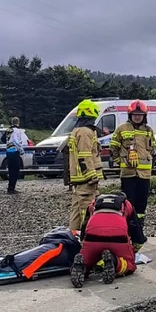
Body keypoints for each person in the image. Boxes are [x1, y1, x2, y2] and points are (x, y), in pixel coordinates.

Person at [0, 227, 81, 287]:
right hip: (69, 242)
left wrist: (26, 272)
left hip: (69, 247)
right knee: (45, 250)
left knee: (45, 251)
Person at [109, 100, 155, 250]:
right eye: (135, 115)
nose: (137, 117)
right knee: (128, 205)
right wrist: (120, 162)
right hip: (128, 174)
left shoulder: (148, 130)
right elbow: (113, 149)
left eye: (140, 115)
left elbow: (152, 149)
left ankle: (139, 233)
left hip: (144, 175)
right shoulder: (122, 129)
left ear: (144, 116)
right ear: (130, 115)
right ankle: (127, 233)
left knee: (142, 206)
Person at [70, 191, 139, 288]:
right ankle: (114, 262)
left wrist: (84, 243)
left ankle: (81, 267)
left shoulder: (94, 203)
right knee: (130, 265)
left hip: (92, 238)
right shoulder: (126, 204)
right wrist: (136, 246)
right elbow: (136, 229)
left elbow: (85, 225)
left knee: (88, 261)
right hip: (118, 238)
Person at [65, 99, 104, 232]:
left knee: (76, 210)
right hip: (85, 179)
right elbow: (85, 155)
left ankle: (72, 235)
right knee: (87, 209)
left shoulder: (77, 130)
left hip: (79, 178)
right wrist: (91, 176)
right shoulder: (85, 132)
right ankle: (87, 235)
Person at [4, 116, 30, 194]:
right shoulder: (17, 131)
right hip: (15, 151)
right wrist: (21, 151)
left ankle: (10, 187)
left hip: (8, 151)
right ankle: (12, 188)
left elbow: (3, 139)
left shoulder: (8, 130)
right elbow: (16, 141)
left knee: (10, 170)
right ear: (18, 123)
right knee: (15, 171)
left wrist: (8, 143)